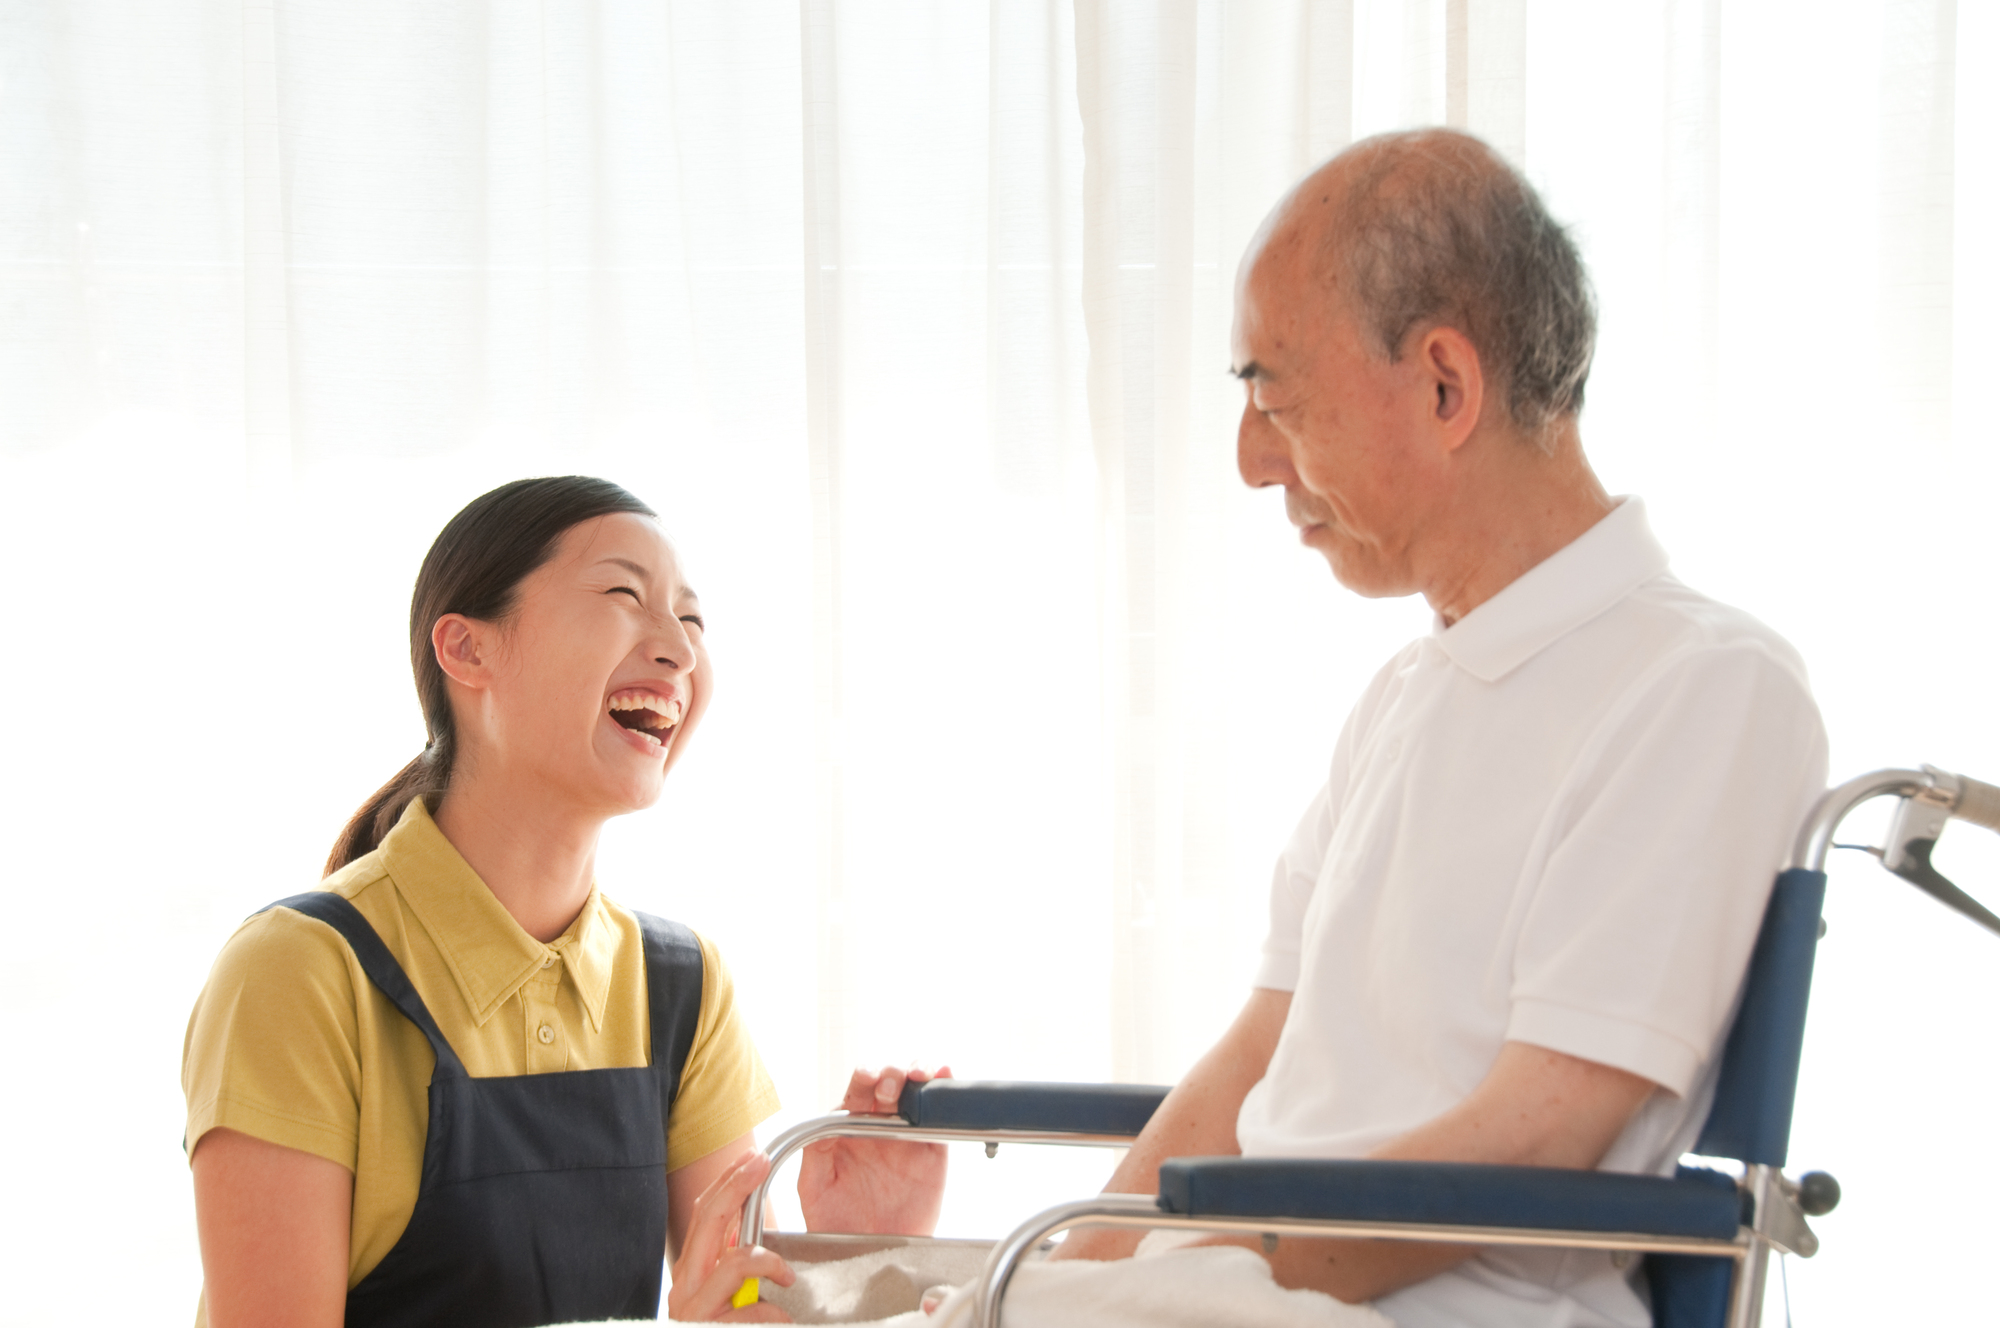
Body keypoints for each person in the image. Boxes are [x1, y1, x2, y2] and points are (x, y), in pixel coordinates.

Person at [1053, 129, 1828, 1328]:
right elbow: (1252, 1061)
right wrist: (1054, 1272)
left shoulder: (1705, 687)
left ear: (1442, 386)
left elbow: (1542, 1132)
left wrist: (1173, 1276)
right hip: (1256, 1288)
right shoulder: (1405, 698)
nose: (1252, 458)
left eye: (1272, 390)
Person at [182, 476, 947, 1327]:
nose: (680, 652)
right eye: (625, 595)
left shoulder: (680, 987)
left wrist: (860, 1259)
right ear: (468, 651)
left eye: (692, 621)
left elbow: (732, 1307)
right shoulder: (301, 972)